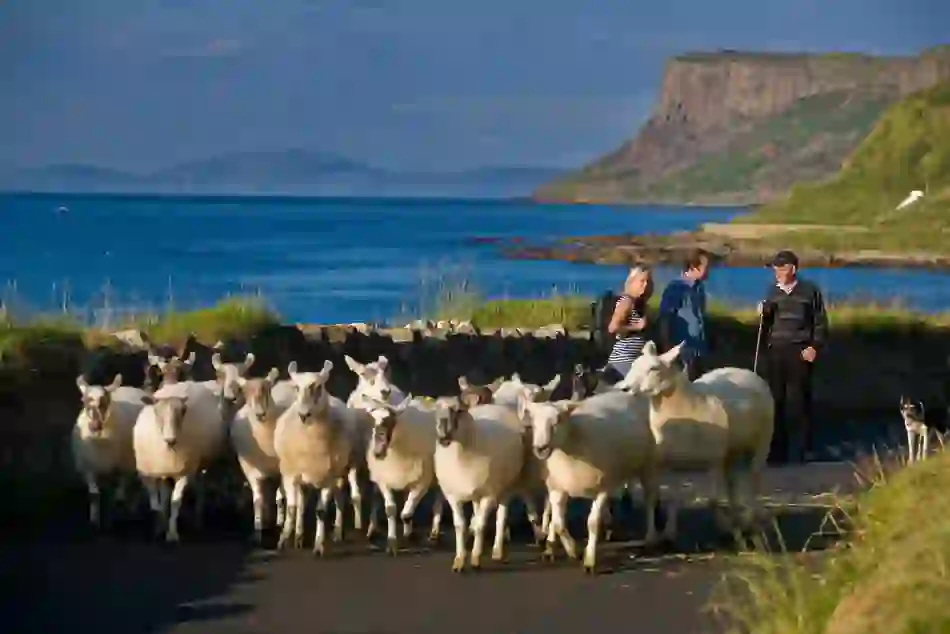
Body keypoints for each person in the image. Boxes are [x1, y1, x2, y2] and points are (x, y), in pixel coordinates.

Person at [757, 249, 829, 465]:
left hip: (800, 351)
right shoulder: (772, 291)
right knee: (775, 401)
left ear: (793, 269)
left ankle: (802, 451)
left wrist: (815, 346)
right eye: (775, 268)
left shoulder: (809, 291)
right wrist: (763, 312)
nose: (777, 272)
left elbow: (820, 322)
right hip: (776, 351)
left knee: (799, 402)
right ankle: (776, 452)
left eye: (781, 268)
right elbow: (766, 324)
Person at [658, 248, 711, 380]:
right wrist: (668, 348)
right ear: (694, 267)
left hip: (698, 349)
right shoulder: (676, 288)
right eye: (706, 267)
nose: (709, 271)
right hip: (682, 350)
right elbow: (665, 317)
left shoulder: (699, 288)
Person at [602, 265, 654, 383]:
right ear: (632, 282)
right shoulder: (626, 301)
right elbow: (613, 328)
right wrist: (636, 327)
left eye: (648, 281)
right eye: (641, 281)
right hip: (623, 361)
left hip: (635, 360)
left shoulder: (641, 304)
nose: (645, 285)